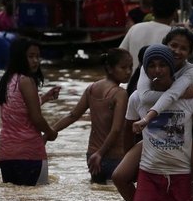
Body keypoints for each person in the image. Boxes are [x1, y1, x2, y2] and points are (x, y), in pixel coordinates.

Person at [115, 28, 193, 201]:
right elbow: (129, 126)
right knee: (120, 177)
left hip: (189, 142)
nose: (157, 70)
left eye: (183, 48)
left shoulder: (189, 83)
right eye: (152, 66)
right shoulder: (140, 92)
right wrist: (131, 162)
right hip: (151, 158)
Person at [51, 48, 133, 184]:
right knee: (112, 199)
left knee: (98, 194)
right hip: (113, 158)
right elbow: (116, 129)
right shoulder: (120, 93)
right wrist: (100, 154)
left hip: (92, 156)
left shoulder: (91, 88)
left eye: (130, 67)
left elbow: (72, 116)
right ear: (110, 68)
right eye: (123, 67)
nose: (129, 71)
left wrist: (48, 133)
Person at [0, 38, 60, 186]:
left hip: (6, 154)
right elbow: (36, 118)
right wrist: (51, 133)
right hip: (29, 153)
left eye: (38, 57)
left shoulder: (7, 80)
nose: (36, 61)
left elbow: (18, 109)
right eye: (30, 56)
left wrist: (44, 98)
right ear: (20, 57)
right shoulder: (26, 81)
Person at [120, 0, 177, 72]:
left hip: (134, 83)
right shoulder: (175, 35)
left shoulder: (135, 28)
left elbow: (118, 57)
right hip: (162, 83)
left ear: (152, 11)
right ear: (175, 13)